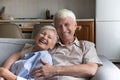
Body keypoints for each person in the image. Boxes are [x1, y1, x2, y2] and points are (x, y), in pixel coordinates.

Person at [1, 9, 102, 80]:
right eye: (59, 26)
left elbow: (91, 69)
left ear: (75, 25)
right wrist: (3, 72)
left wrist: (54, 70)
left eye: (67, 24)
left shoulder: (86, 46)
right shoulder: (47, 46)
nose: (63, 30)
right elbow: (18, 55)